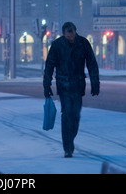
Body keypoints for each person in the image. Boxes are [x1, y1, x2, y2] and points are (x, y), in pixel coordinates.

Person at [43, 22, 100, 158]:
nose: (71, 38)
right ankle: (67, 147)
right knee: (67, 114)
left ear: (75, 32)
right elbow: (49, 65)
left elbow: (91, 63)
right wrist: (47, 85)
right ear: (64, 34)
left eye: (72, 35)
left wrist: (95, 82)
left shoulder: (83, 43)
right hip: (63, 85)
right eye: (68, 36)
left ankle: (70, 140)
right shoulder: (57, 45)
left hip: (78, 85)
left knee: (75, 117)